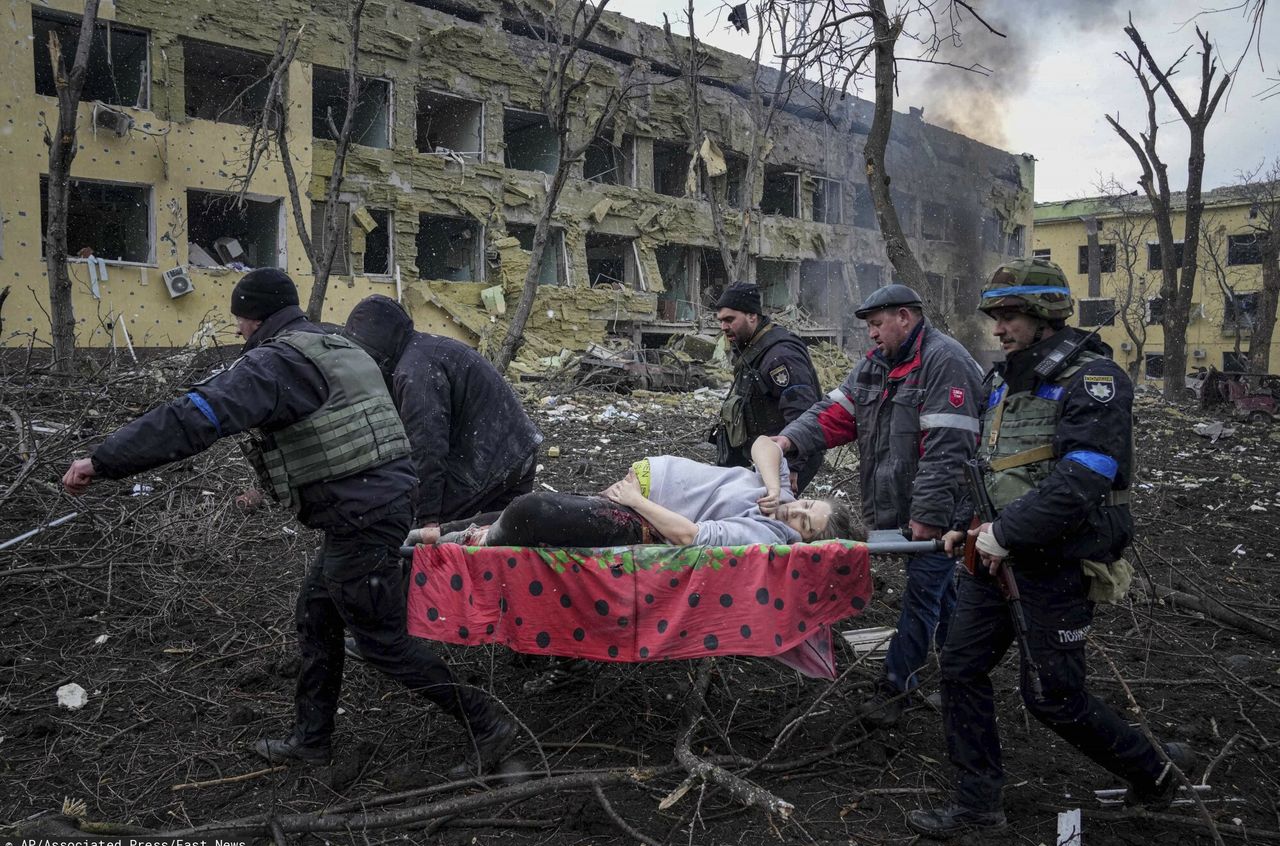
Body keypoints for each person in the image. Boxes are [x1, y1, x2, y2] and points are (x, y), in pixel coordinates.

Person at [61, 269, 515, 778]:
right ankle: (310, 741)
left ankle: (487, 724)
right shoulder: (335, 342)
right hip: (376, 504)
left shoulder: (274, 364)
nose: (236, 331)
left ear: (253, 317)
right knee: (316, 615)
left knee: (382, 641)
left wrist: (103, 461)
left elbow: (194, 418)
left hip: (362, 514)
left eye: (238, 320)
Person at [906, 259, 1195, 837]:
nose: (999, 327)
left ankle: (1156, 775)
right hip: (993, 560)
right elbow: (992, 470)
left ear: (1044, 316)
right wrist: (969, 525)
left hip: (1054, 563)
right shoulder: (1005, 380)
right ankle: (977, 807)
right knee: (960, 667)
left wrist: (1006, 533)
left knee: (1053, 698)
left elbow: (1085, 476)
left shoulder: (1094, 380)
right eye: (996, 316)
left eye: (1010, 315)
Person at [773, 283, 983, 726]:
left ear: (904, 317)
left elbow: (949, 449)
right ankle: (961, 671)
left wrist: (927, 515)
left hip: (942, 510)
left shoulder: (946, 363)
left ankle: (895, 686)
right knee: (940, 590)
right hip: (900, 508)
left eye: (876, 324)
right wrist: (788, 440)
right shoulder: (875, 366)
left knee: (923, 593)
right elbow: (833, 414)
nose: (870, 334)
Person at [343, 295, 542, 545]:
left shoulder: (414, 370)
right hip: (515, 450)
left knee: (421, 540)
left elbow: (426, 447)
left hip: (490, 462)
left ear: (376, 349)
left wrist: (426, 519)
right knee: (498, 546)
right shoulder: (423, 350)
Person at [431, 436, 858, 548]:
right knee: (540, 511)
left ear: (806, 543)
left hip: (642, 517)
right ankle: (433, 532)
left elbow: (692, 536)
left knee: (534, 511)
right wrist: (772, 485)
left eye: (805, 524)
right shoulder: (778, 496)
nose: (794, 514)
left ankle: (456, 542)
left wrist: (636, 501)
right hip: (638, 491)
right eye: (805, 505)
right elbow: (766, 444)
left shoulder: (766, 535)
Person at [712, 281, 825, 493]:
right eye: (720, 321)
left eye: (730, 320)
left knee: (772, 516)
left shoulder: (780, 355)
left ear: (752, 316)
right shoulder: (752, 347)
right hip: (765, 454)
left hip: (785, 456)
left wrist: (792, 465)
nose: (723, 327)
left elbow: (802, 412)